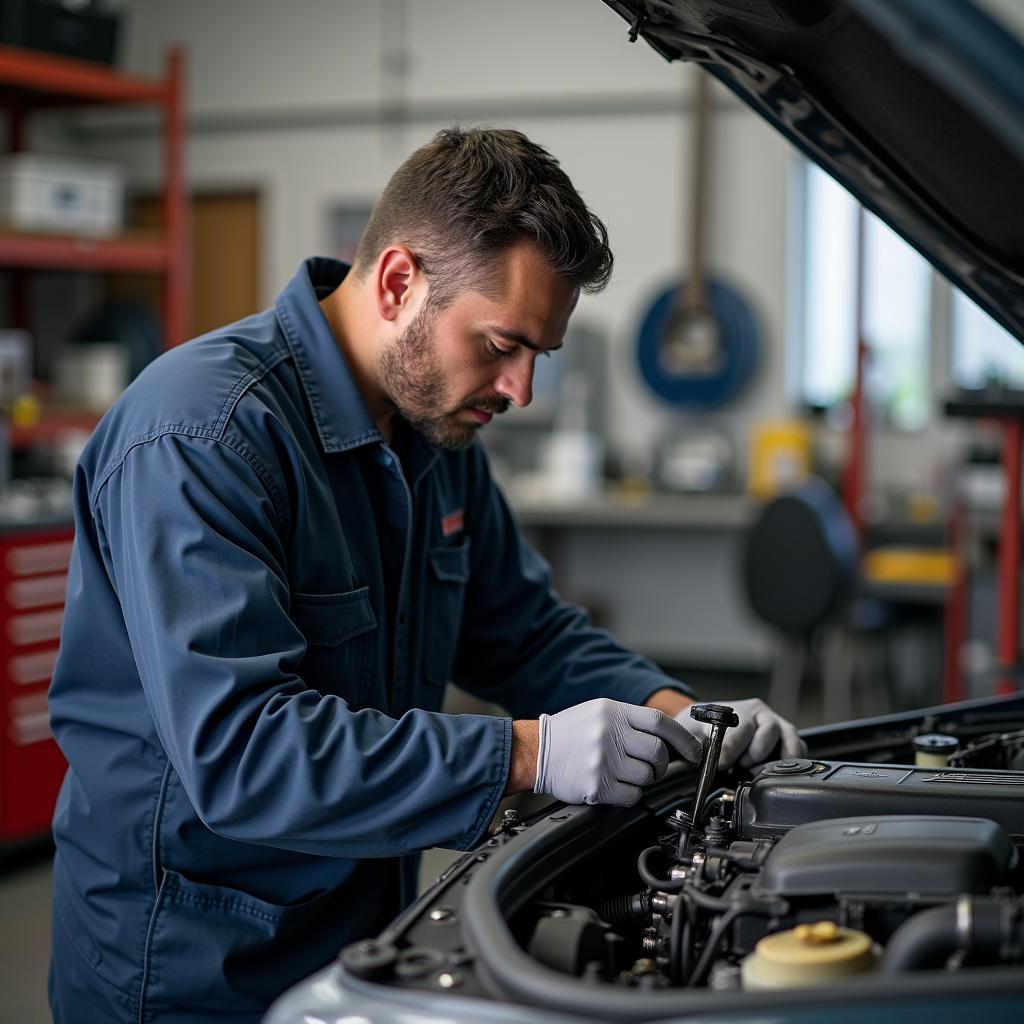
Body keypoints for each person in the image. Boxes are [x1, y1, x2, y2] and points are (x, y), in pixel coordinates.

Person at [48, 127, 802, 1023]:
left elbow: (522, 630)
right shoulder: (202, 436)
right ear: (400, 282)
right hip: (194, 963)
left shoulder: (437, 430)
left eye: (539, 357)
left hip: (362, 924)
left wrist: (683, 715)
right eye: (500, 344)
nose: (518, 390)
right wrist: (528, 754)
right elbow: (242, 753)